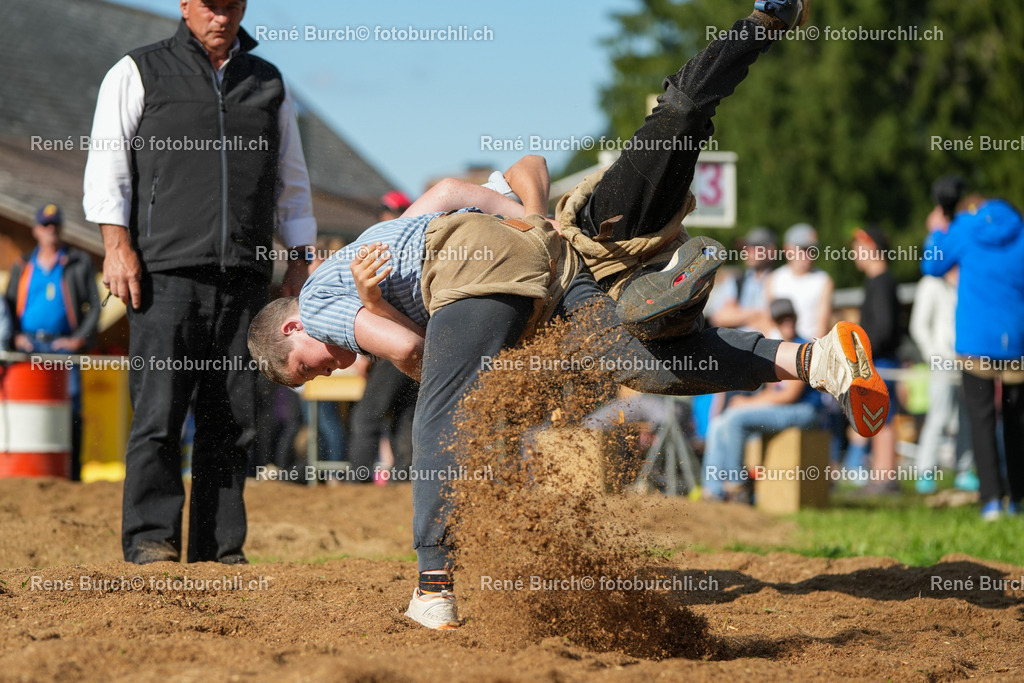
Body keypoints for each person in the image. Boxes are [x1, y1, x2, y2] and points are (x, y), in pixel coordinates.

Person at [249, 0, 888, 630]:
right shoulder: (377, 242)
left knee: (439, 414)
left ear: (290, 330)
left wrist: (380, 308)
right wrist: (528, 220)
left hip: (496, 266)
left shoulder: (318, 302)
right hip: (553, 269)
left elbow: (415, 354)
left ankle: (433, 586)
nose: (328, 369)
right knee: (646, 366)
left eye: (306, 369)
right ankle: (808, 355)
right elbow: (454, 191)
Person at [83, 0, 317, 564]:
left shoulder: (268, 83)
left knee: (233, 418)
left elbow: (291, 178)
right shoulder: (138, 70)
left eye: (233, 5)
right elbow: (107, 164)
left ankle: (218, 549)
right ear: (185, 6)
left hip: (244, 276)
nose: (222, 15)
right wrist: (118, 248)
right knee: (159, 413)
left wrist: (301, 257)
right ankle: (151, 541)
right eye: (211, 5)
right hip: (163, 274)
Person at [922, 178, 1024, 520]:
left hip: (975, 343)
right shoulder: (1019, 229)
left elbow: (932, 265)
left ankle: (992, 501)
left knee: (981, 421)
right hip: (1018, 342)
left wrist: (938, 229)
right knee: (1017, 422)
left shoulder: (964, 228)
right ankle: (1018, 498)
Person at [5, 203, 101, 481]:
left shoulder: (77, 262)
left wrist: (78, 339)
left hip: (63, 348)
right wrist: (15, 337)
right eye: (46, 225)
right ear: (35, 230)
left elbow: (94, 307)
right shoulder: (22, 264)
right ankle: (28, 470)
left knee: (71, 406)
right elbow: (9, 306)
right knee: (25, 408)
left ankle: (72, 474)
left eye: (55, 225)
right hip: (28, 348)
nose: (51, 231)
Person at [701, 298, 821, 501]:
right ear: (775, 322)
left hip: (805, 410)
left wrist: (747, 404)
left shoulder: (803, 345)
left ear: (796, 318)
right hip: (785, 409)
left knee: (734, 418)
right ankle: (712, 491)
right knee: (719, 424)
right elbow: (772, 392)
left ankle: (737, 486)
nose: (787, 323)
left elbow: (788, 395)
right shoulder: (777, 346)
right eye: (781, 319)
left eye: (790, 318)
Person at [346, 191, 420, 483]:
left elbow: (374, 303)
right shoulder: (412, 240)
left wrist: (364, 353)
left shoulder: (382, 245)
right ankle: (403, 481)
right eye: (385, 209)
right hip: (413, 340)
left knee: (368, 416)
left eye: (392, 209)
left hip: (394, 344)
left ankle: (359, 483)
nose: (386, 214)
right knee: (406, 416)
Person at [910, 267, 975, 493]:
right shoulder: (930, 283)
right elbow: (919, 326)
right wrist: (934, 357)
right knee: (938, 416)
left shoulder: (967, 280)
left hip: (967, 360)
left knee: (967, 416)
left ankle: (964, 471)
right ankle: (925, 471)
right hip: (941, 363)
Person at [851, 225, 901, 494]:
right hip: (877, 361)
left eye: (859, 247)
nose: (853, 252)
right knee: (879, 418)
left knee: (884, 419)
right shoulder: (877, 282)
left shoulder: (881, 282)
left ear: (872, 249)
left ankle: (885, 478)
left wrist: (861, 351)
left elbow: (882, 330)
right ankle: (881, 476)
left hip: (882, 362)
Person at [767, 223, 833, 340]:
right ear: (787, 249)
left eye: (812, 250)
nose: (809, 254)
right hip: (776, 347)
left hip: (806, 349)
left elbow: (822, 329)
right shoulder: (774, 278)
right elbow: (769, 321)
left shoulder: (823, 281)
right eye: (804, 249)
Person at [711, 226, 777, 332]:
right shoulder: (736, 281)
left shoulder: (781, 279)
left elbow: (775, 320)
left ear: (771, 251)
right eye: (747, 247)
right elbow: (719, 318)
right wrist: (758, 315)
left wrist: (737, 314)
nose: (748, 251)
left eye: (756, 247)